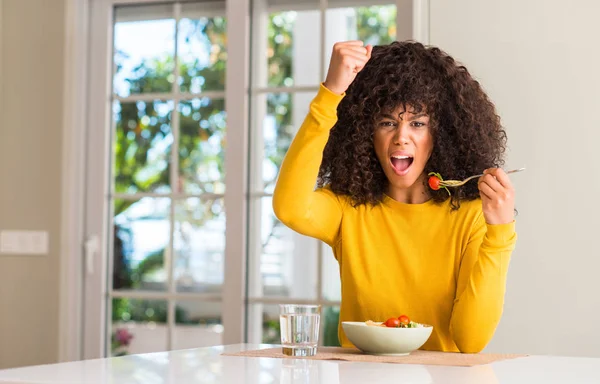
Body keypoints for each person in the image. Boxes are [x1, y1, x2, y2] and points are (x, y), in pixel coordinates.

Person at [272, 40, 518, 353]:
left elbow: (470, 341)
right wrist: (330, 94)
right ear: (365, 133)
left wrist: (500, 234)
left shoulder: (471, 215)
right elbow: (289, 207)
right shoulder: (349, 209)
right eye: (387, 122)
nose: (402, 137)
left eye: (418, 123)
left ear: (440, 135)